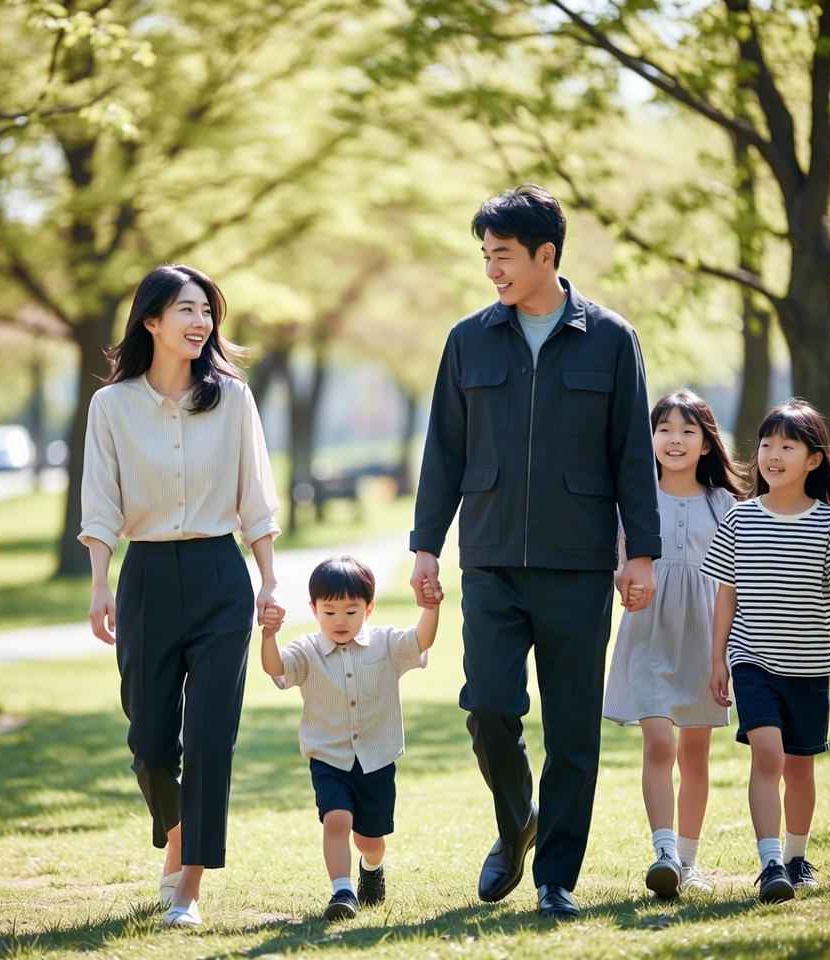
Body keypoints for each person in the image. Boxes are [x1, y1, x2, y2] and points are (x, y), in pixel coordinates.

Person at [409, 184, 661, 919]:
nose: (491, 269)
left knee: (573, 727)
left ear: (545, 255)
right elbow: (444, 450)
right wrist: (426, 547)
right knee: (488, 705)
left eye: (504, 256)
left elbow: (631, 454)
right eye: (486, 256)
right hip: (490, 558)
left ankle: (556, 876)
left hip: (577, 561)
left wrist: (641, 552)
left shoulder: (611, 338)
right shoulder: (468, 339)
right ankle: (517, 818)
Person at [80, 263, 282, 929]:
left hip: (220, 575)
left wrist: (269, 579)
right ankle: (176, 832)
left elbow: (256, 497)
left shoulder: (234, 399)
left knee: (211, 736)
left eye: (207, 312)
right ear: (152, 321)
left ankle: (189, 889)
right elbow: (100, 502)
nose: (201, 323)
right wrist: (100, 584)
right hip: (144, 576)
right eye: (187, 310)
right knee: (149, 741)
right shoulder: (111, 407)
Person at [701, 398, 830, 903]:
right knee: (768, 754)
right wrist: (718, 658)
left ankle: (797, 858)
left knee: (799, 769)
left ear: (813, 459)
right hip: (752, 660)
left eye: (787, 446)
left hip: (809, 668)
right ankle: (771, 862)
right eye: (766, 444)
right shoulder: (739, 520)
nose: (772, 455)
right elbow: (726, 595)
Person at [603, 389, 744, 899]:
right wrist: (624, 580)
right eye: (664, 429)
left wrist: (726, 654)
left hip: (704, 637)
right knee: (660, 741)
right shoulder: (634, 497)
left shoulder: (724, 503)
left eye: (688, 430)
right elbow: (618, 559)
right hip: (649, 631)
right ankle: (663, 853)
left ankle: (688, 860)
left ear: (707, 443)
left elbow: (736, 579)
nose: (675, 439)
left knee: (696, 754)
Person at [260, 555, 440, 921]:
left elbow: (421, 639)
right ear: (313, 609)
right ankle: (342, 892)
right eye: (329, 612)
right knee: (336, 819)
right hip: (329, 757)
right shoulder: (307, 650)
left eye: (351, 611)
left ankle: (371, 868)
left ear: (368, 608)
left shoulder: (386, 643)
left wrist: (430, 608)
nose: (339, 621)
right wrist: (268, 635)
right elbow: (275, 667)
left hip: (376, 758)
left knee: (369, 840)